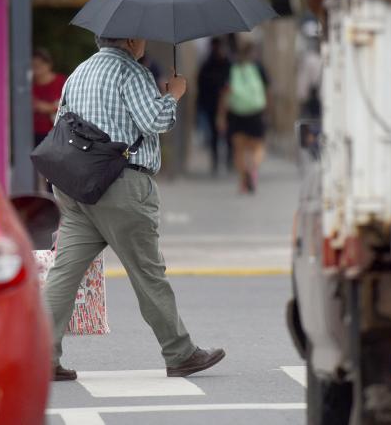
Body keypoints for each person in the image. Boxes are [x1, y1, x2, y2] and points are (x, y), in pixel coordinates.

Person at [43, 36, 225, 381]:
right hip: (121, 186)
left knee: (64, 275)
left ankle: (42, 355)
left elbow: (61, 125)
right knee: (148, 272)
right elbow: (154, 121)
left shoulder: (78, 73)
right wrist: (173, 94)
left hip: (77, 186)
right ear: (130, 39)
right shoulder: (131, 72)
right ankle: (180, 352)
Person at [217, 42, 269, 194]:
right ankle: (253, 170)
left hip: (236, 113)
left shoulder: (230, 69)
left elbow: (224, 95)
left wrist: (221, 116)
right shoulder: (258, 68)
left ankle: (243, 180)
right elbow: (267, 91)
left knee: (239, 150)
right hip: (256, 112)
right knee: (257, 147)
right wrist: (266, 110)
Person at [196, 37, 232, 174]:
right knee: (214, 136)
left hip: (227, 105)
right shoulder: (207, 65)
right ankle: (216, 161)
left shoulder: (228, 63)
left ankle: (228, 160)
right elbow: (201, 85)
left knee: (228, 135)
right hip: (212, 105)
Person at [32, 47, 65, 147]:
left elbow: (69, 104)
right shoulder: (27, 85)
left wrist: (49, 107)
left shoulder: (61, 81)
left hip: (57, 132)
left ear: (49, 64)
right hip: (34, 132)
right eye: (33, 65)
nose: (37, 69)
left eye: (40, 65)